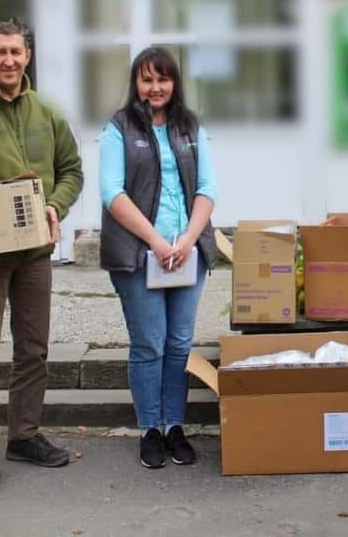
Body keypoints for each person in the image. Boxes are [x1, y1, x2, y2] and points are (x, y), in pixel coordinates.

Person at [0, 20, 83, 496]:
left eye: (17, 52)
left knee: (33, 348)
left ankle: (24, 435)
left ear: (28, 57)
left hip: (34, 252)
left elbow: (72, 170)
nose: (9, 60)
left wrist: (55, 205)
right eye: (0, 51)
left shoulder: (47, 112)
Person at [99, 46, 217, 469]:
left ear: (174, 82)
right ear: (135, 83)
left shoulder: (189, 126)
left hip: (187, 252)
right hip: (139, 253)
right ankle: (150, 428)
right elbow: (112, 192)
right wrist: (156, 241)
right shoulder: (120, 126)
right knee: (149, 344)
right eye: (146, 79)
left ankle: (175, 426)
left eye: (162, 79)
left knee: (179, 343)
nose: (155, 87)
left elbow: (207, 188)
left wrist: (187, 239)